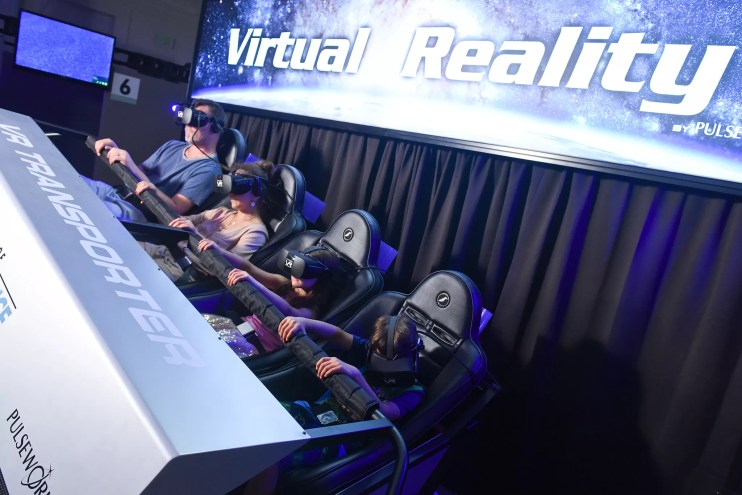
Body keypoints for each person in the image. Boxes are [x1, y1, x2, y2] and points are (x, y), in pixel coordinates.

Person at [243, 314, 425, 495]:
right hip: (314, 412)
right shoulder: (371, 351)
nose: (383, 365)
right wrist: (304, 322)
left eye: (391, 363)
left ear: (411, 356)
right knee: (257, 414)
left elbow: (386, 412)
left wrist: (355, 375)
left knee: (272, 456)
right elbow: (338, 335)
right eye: (379, 358)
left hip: (339, 438)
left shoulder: (413, 390)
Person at [83, 99, 226, 222]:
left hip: (140, 212)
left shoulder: (209, 170)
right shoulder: (172, 145)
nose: (188, 125)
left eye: (197, 119)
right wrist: (115, 152)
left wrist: (132, 165)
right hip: (118, 193)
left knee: (88, 209)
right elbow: (138, 172)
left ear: (215, 127)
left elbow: (176, 208)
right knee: (75, 186)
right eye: (187, 117)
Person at [139, 161, 272, 283]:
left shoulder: (256, 231)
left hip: (187, 274)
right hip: (165, 253)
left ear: (256, 193)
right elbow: (180, 221)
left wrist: (195, 233)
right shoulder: (221, 212)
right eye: (230, 185)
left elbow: (233, 265)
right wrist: (155, 196)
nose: (231, 193)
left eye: (238, 187)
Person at [222, 247, 348, 354]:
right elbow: (248, 268)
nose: (296, 273)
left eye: (304, 270)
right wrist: (219, 250)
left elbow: (288, 311)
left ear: (321, 278)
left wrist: (254, 283)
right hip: (242, 325)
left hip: (257, 345)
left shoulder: (311, 311)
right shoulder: (283, 283)